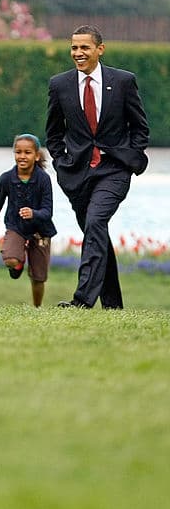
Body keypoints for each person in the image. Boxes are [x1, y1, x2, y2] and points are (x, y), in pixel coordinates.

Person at [45, 25, 149, 309]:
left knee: (95, 223)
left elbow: (140, 127)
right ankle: (113, 306)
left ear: (100, 49)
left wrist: (130, 157)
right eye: (74, 48)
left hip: (114, 170)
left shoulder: (124, 81)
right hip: (76, 174)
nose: (78, 53)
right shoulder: (59, 84)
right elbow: (53, 133)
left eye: (84, 47)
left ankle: (82, 300)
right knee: (96, 233)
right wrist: (61, 163)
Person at [0, 134, 58, 308]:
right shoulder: (6, 178)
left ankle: (37, 309)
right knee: (11, 260)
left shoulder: (44, 179)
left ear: (37, 156)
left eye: (27, 152)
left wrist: (33, 213)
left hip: (41, 230)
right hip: (16, 227)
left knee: (38, 277)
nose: (22, 156)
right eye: (18, 152)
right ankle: (19, 264)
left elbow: (47, 211)